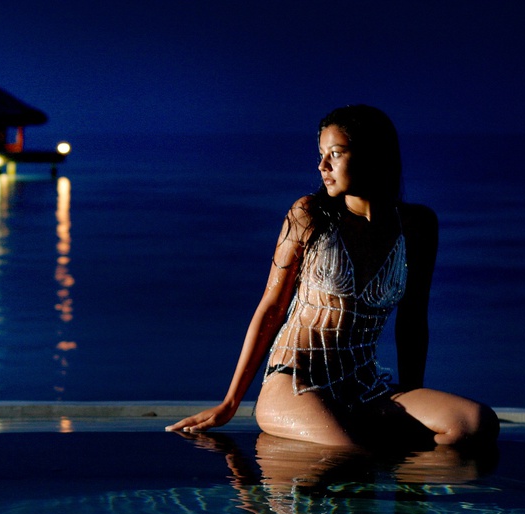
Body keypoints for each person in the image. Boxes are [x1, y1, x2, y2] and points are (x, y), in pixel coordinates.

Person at [166, 104, 498, 448]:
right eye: (321, 154)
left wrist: (414, 394)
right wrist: (230, 402)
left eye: (335, 154)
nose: (322, 166)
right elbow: (272, 307)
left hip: (364, 386)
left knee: (474, 424)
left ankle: (409, 497)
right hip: (295, 382)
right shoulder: (308, 214)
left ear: (373, 155)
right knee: (350, 453)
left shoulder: (417, 226)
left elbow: (413, 320)